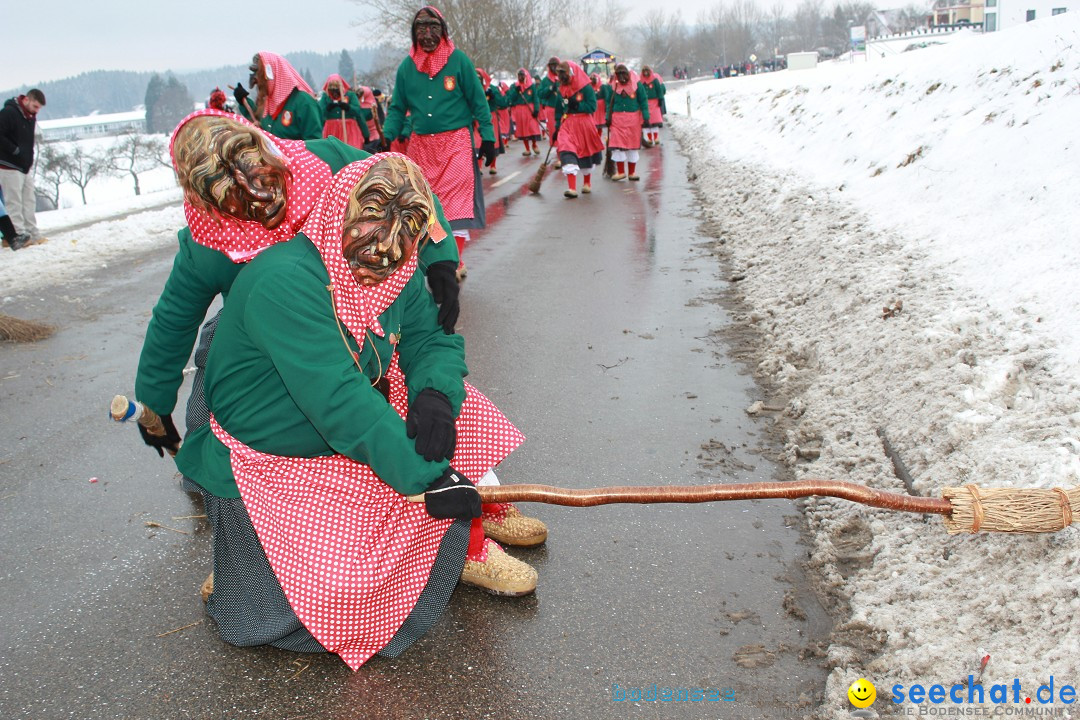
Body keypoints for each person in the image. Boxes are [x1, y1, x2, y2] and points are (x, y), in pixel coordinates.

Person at [174, 154, 537, 668]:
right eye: (371, 220)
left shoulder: (395, 263)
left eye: (404, 236)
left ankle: (456, 541)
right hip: (277, 456)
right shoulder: (284, 283)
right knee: (337, 596)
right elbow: (340, 402)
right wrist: (427, 476)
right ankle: (255, 564)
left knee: (464, 412)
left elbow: (430, 335)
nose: (382, 260)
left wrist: (434, 395)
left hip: (346, 428)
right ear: (335, 215)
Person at [135, 109, 461, 473]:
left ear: (268, 148)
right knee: (218, 363)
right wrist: (155, 403)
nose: (260, 195)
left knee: (413, 392)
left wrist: (440, 257)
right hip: (265, 336)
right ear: (212, 208)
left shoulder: (330, 162)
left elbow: (407, 189)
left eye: (262, 176)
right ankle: (215, 462)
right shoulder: (207, 247)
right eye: (240, 199)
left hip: (361, 305)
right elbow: (173, 323)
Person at [381, 6, 496, 278]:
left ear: (443, 31)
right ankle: (442, 257)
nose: (427, 34)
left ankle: (455, 260)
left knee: (456, 204)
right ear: (414, 34)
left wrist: (489, 137)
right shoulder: (407, 68)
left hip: (456, 141)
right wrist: (388, 134)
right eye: (421, 28)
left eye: (433, 27)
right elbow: (397, 107)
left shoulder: (459, 62)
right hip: (421, 146)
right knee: (428, 203)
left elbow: (478, 102)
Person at [233, 51, 322, 141]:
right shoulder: (269, 104)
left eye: (259, 75)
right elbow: (259, 121)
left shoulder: (304, 103)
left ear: (273, 74)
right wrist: (244, 101)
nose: (256, 82)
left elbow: (314, 144)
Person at [551, 60, 605, 199]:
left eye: (564, 73)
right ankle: (572, 187)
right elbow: (558, 110)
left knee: (585, 153)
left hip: (583, 123)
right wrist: (557, 127)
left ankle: (587, 182)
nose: (561, 77)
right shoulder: (561, 89)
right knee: (566, 149)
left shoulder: (586, 87)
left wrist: (578, 106)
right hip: (567, 123)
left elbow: (592, 106)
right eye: (560, 74)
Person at [0, 89, 46, 246]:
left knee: (29, 200)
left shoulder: (30, 117)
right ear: (26, 99)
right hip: (8, 165)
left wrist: (28, 157)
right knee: (13, 201)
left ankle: (32, 232)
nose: (36, 110)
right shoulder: (9, 113)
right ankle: (18, 234)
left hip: (24, 165)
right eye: (35, 106)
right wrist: (14, 150)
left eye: (38, 108)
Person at [605, 63, 649, 182]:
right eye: (619, 74)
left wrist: (646, 116)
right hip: (617, 120)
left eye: (624, 74)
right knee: (617, 146)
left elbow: (643, 100)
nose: (622, 77)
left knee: (632, 146)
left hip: (633, 119)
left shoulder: (637, 85)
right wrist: (607, 117)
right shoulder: (613, 86)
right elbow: (609, 103)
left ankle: (632, 172)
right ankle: (620, 172)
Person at [319, 74, 370, 149]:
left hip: (349, 130)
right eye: (332, 87)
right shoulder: (326, 97)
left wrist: (348, 108)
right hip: (331, 131)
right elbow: (319, 113)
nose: (334, 90)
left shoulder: (350, 95)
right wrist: (327, 108)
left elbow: (358, 112)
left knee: (351, 151)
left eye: (336, 87)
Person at [475, 68, 505, 175]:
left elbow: (503, 103)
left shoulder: (492, 88)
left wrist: (493, 96)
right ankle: (478, 166)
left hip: (491, 117)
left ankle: (493, 165)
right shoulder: (473, 89)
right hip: (476, 118)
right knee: (477, 142)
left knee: (493, 140)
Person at [506, 68, 542, 156]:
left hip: (529, 108)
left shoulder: (531, 86)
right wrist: (516, 91)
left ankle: (534, 144)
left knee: (532, 127)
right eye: (519, 76)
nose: (521, 77)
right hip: (519, 109)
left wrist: (536, 109)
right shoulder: (515, 86)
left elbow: (536, 98)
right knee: (523, 129)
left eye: (522, 75)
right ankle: (527, 148)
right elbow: (511, 98)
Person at [639, 66, 667, 147]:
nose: (646, 73)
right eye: (644, 72)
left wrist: (660, 99)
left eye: (647, 71)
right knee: (646, 123)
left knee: (655, 122)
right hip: (645, 103)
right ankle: (649, 139)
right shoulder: (641, 82)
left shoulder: (655, 80)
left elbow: (659, 90)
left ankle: (656, 138)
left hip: (654, 103)